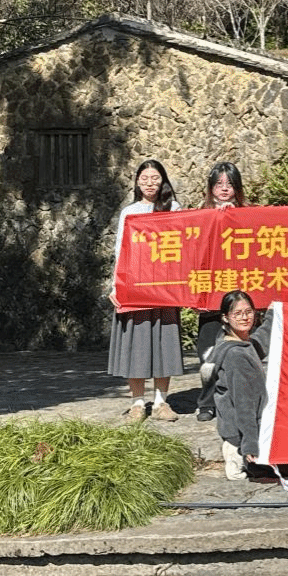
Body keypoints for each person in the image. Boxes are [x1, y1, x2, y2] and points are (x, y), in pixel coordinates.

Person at [108, 159, 185, 422]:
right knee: (137, 342)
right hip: (136, 285)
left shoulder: (174, 208)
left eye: (155, 178)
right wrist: (116, 286)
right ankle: (138, 403)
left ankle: (161, 401)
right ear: (137, 182)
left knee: (164, 342)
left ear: (163, 181)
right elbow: (120, 249)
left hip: (164, 287)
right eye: (145, 178)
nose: (150, 183)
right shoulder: (129, 212)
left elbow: (183, 244)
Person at [195, 162, 246, 423]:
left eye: (229, 184)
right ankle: (206, 403)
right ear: (211, 188)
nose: (224, 189)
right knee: (207, 352)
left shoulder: (248, 216)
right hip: (209, 294)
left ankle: (239, 401)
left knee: (239, 351)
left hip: (239, 295)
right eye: (219, 184)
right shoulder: (201, 216)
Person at [209, 290, 272, 481]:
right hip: (240, 441)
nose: (244, 318)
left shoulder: (241, 343)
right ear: (225, 317)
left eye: (248, 312)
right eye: (237, 313)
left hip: (247, 432)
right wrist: (250, 444)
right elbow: (243, 403)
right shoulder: (236, 355)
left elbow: (261, 340)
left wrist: (273, 315)